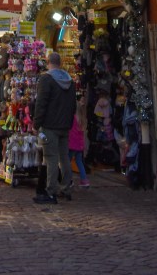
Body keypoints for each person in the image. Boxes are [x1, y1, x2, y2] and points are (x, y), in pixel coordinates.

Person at [32, 51, 77, 204]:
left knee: (51, 158)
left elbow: (41, 103)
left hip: (50, 125)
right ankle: (66, 188)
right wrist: (69, 121)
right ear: (61, 63)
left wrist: (36, 123)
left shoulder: (46, 79)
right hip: (64, 125)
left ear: (47, 61)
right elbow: (73, 105)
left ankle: (51, 192)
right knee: (64, 157)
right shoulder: (70, 81)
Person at [69, 94, 90, 188]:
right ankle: (84, 180)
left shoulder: (72, 119)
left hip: (71, 144)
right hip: (79, 145)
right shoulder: (82, 119)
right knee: (79, 162)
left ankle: (69, 180)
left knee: (67, 161)